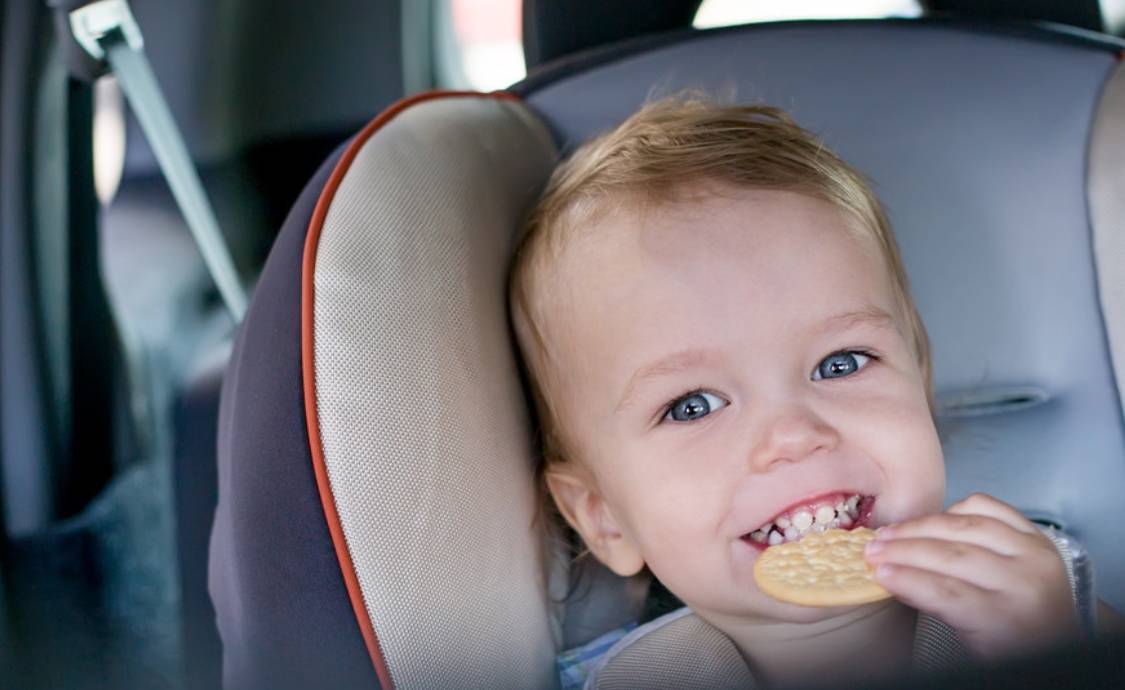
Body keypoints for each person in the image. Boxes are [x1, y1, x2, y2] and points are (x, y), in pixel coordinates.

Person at [507, 96, 1113, 688]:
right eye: (692, 406)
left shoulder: (1049, 612)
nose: (795, 436)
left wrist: (1059, 659)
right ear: (604, 517)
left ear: (919, 384)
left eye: (842, 363)